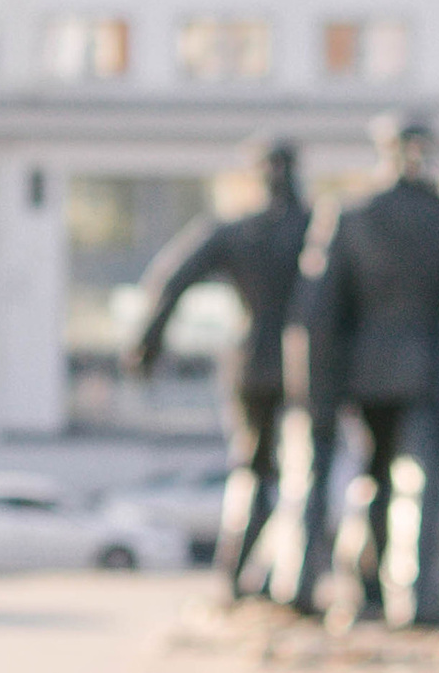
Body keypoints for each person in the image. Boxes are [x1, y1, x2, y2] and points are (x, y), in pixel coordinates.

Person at [295, 116, 439, 623]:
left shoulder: (351, 215)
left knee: (372, 479)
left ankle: (366, 589)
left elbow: (319, 310)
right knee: (421, 483)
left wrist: (317, 389)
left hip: (365, 372)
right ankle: (419, 597)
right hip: (428, 372)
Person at [127, 143, 311, 595]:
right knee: (301, 471)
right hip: (305, 364)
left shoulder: (239, 231)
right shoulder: (317, 228)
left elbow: (171, 281)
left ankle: (239, 573)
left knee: (254, 469)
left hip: (253, 362)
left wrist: (148, 343)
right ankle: (283, 576)